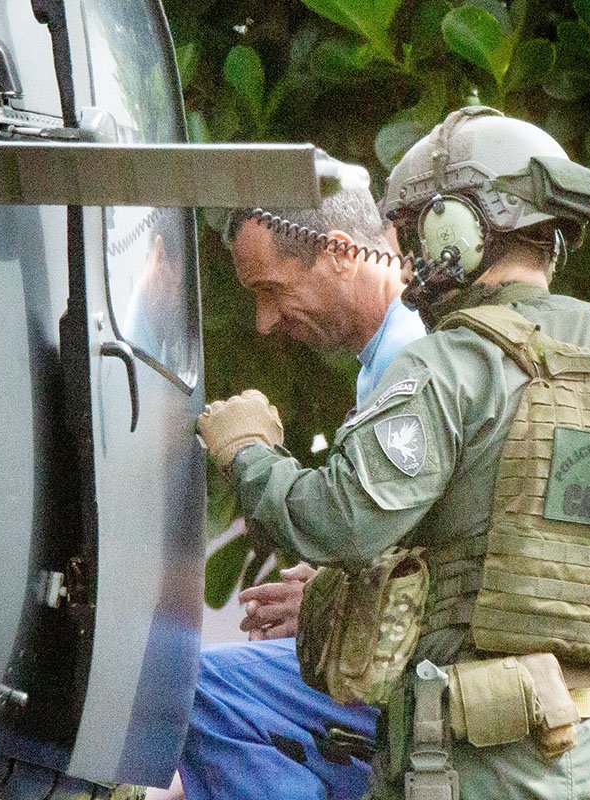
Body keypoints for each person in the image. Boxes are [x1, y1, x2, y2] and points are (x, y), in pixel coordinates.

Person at [197, 106, 590, 799]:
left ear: (460, 229)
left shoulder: (452, 363)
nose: (406, 249)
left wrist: (250, 454)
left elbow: (341, 520)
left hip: (484, 761)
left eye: (418, 229)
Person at [176, 173, 425, 800]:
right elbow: (424, 539)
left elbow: (341, 520)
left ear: (340, 253)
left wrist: (251, 456)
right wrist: (332, 593)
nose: (263, 322)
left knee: (193, 691)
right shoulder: (392, 355)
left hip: (431, 676)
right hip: (418, 660)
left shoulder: (413, 358)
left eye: (271, 291)